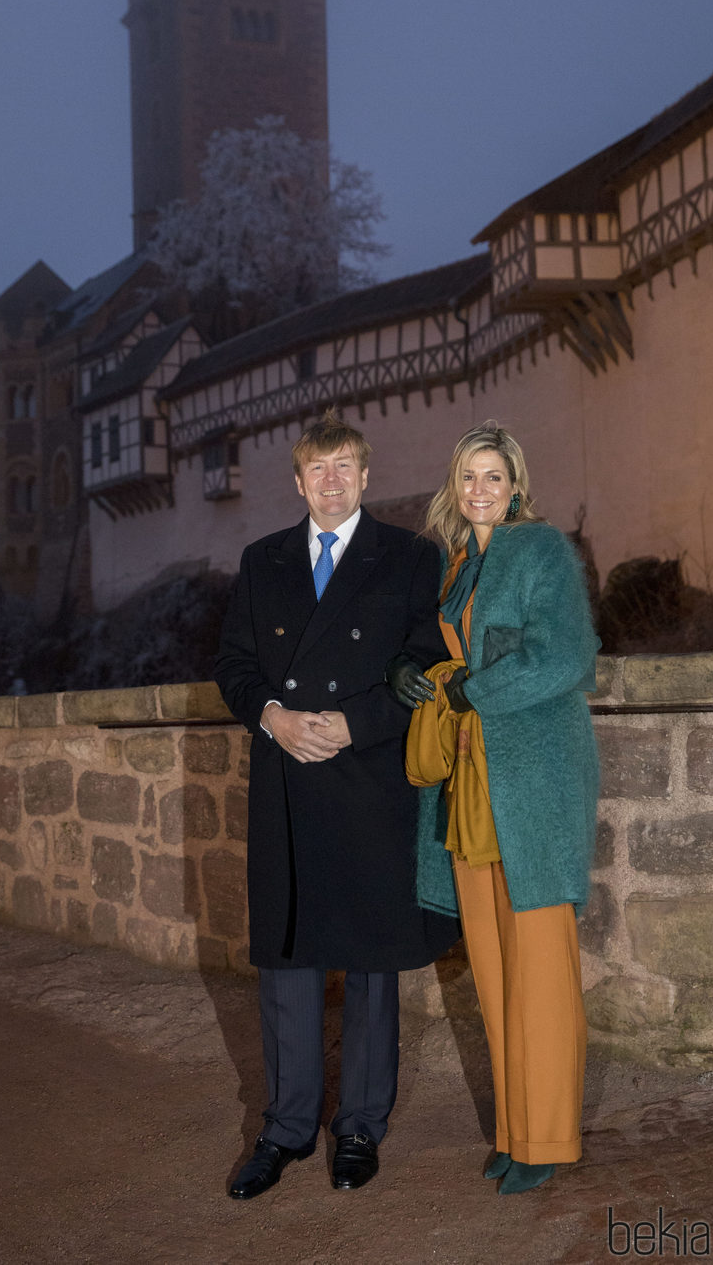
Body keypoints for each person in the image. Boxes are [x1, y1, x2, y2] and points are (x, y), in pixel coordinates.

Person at [214, 411, 459, 1200]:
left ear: (364, 474)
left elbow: (426, 664)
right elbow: (234, 665)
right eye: (317, 469)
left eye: (345, 466)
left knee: (369, 964)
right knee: (288, 960)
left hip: (368, 779)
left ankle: (359, 1126)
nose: (331, 481)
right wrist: (274, 718)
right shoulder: (262, 561)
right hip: (287, 779)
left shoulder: (412, 558)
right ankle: (284, 1130)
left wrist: (355, 722)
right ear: (297, 481)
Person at [388, 420, 600, 1196]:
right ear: (455, 487)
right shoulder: (457, 568)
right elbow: (454, 652)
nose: (481, 490)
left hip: (533, 787)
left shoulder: (540, 550)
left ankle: (548, 1137)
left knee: (541, 969)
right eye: (469, 477)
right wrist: (415, 671)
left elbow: (568, 655)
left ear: (516, 487)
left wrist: (472, 688)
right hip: (473, 789)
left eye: (494, 477)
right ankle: (517, 1132)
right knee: (493, 969)